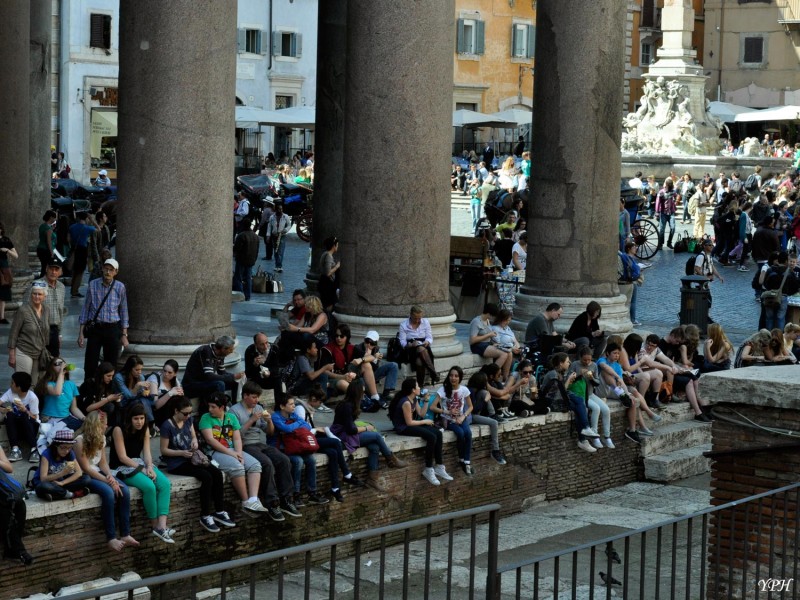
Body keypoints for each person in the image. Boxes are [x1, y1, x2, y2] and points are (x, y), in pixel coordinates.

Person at [160, 397, 236, 533]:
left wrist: (194, 442)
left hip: (193, 457)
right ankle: (205, 515)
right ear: (176, 411)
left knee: (217, 473)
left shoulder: (188, 420)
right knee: (206, 476)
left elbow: (193, 436)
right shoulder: (167, 426)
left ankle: (219, 510)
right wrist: (181, 453)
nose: (188, 416)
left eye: (190, 413)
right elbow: (164, 450)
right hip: (177, 462)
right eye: (185, 413)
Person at [229, 381, 300, 519]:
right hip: (245, 445)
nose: (257, 400)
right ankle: (272, 502)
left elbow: (270, 433)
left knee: (283, 460)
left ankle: (287, 499)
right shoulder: (234, 411)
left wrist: (269, 421)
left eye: (258, 397)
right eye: (254, 397)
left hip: (259, 443)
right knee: (266, 463)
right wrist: (251, 420)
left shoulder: (258, 408)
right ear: (245, 396)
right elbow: (235, 436)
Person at [110, 403, 175, 544]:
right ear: (129, 419)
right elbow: (122, 457)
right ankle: (155, 525)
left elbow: (147, 452)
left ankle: (162, 526)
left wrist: (149, 466)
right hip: (122, 467)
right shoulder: (118, 430)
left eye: (141, 418)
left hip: (139, 463)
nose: (139, 422)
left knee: (164, 483)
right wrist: (142, 469)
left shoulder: (145, 429)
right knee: (149, 487)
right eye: (136, 419)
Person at [198, 392, 270, 517]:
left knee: (255, 465)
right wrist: (232, 454)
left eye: (213, 407)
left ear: (221, 408)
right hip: (214, 452)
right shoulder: (205, 418)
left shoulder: (231, 417)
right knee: (237, 467)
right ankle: (245, 501)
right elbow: (210, 440)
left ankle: (253, 500)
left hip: (232, 450)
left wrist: (238, 453)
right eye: (209, 406)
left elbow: (237, 439)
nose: (210, 409)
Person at [75, 411, 138, 552]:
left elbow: (103, 463)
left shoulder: (102, 438)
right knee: (109, 493)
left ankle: (125, 533)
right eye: (103, 423)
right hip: (85, 475)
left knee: (124, 490)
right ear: (95, 425)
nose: (106, 426)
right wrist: (108, 482)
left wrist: (110, 476)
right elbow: (86, 468)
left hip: (98, 471)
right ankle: (111, 537)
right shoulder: (79, 441)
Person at [331, 382, 407, 491]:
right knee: (376, 436)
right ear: (357, 393)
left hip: (347, 433)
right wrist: (366, 428)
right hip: (343, 436)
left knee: (374, 447)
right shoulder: (346, 406)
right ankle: (391, 458)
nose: (364, 395)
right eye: (362, 392)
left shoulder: (349, 404)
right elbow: (350, 430)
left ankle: (372, 479)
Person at [389, 377, 453, 486]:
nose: (420, 388)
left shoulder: (413, 399)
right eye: (418, 386)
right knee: (431, 437)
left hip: (410, 424)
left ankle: (439, 466)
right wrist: (425, 422)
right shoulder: (406, 402)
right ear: (413, 389)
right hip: (403, 428)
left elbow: (421, 414)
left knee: (438, 433)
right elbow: (409, 423)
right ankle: (428, 468)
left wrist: (426, 401)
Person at [268, 393, 330, 506]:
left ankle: (312, 492)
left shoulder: (293, 416)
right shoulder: (276, 416)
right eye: (291, 404)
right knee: (298, 461)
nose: (294, 407)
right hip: (280, 448)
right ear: (282, 406)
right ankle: (295, 494)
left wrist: (294, 426)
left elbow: (307, 426)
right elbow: (285, 428)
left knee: (311, 460)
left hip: (294, 446)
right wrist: (297, 425)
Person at [78, 258, 129, 381]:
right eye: (106, 268)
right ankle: (89, 389)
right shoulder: (93, 285)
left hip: (112, 328)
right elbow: (86, 308)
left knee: (111, 363)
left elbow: (123, 310)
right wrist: (81, 333)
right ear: (102, 269)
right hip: (96, 328)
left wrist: (124, 333)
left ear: (116, 272)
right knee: (90, 362)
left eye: (111, 270)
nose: (108, 272)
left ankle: (108, 391)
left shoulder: (120, 287)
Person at [540, 353, 601, 453]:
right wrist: (569, 380)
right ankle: (583, 436)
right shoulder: (553, 374)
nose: (569, 363)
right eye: (567, 361)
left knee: (579, 401)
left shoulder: (561, 373)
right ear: (561, 363)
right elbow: (559, 393)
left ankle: (584, 434)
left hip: (560, 398)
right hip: (552, 402)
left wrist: (573, 378)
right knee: (578, 406)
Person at [431, 366, 475, 475]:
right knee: (460, 433)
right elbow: (432, 407)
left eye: (456, 376)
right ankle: (461, 459)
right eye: (451, 375)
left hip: (461, 418)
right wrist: (447, 412)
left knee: (468, 433)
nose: (453, 378)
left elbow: (470, 407)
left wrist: (463, 416)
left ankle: (467, 461)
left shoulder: (464, 390)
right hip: (448, 420)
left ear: (460, 378)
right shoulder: (443, 390)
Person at [182, 336, 245, 410]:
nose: (231, 352)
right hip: (192, 385)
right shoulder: (205, 351)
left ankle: (235, 408)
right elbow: (209, 376)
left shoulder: (221, 355)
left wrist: (236, 376)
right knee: (219, 384)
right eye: (230, 350)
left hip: (205, 382)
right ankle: (221, 409)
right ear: (223, 348)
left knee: (234, 382)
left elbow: (222, 372)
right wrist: (233, 376)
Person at [568, 347, 613, 449]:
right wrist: (580, 374)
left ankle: (607, 436)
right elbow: (569, 381)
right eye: (585, 360)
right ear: (580, 358)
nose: (587, 362)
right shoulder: (575, 365)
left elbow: (597, 382)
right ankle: (594, 435)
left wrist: (592, 378)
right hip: (580, 394)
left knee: (606, 409)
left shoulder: (593, 366)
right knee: (596, 408)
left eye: (589, 360)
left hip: (590, 393)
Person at [33, 428, 90, 501]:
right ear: (56, 446)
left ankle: (56, 494)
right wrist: (62, 473)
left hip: (60, 483)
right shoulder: (46, 454)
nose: (66, 451)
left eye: (69, 448)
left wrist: (62, 483)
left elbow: (78, 473)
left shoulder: (70, 453)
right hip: (47, 483)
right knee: (44, 487)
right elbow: (43, 479)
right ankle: (71, 494)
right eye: (63, 447)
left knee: (86, 479)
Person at [7, 282, 49, 376]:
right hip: (24, 350)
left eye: (40, 294)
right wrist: (12, 355)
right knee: (23, 383)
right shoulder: (23, 310)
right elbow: (13, 333)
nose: (36, 296)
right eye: (34, 293)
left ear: (44, 296)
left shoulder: (46, 310)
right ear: (31, 295)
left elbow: (46, 330)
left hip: (39, 352)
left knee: (35, 384)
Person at [465, 371, 508, 464]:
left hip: (475, 414)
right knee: (494, 423)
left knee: (484, 392)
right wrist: (485, 400)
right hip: (469, 416)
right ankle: (495, 451)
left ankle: (493, 414)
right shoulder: (470, 390)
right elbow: (473, 410)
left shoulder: (477, 390)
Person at [26, 260, 66, 357]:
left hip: (54, 330)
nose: (53, 272)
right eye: (51, 269)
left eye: (56, 269)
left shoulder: (61, 287)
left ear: (60, 272)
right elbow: (26, 308)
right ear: (46, 269)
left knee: (54, 362)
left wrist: (59, 334)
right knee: (38, 361)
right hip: (38, 330)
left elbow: (60, 311)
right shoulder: (36, 285)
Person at [0, 445, 32, 565]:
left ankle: (11, 550)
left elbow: (9, 468)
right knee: (4, 513)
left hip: (2, 489)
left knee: (20, 505)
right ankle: (20, 551)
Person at [352, 330, 400, 406]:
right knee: (366, 364)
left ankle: (387, 393)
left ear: (376, 344)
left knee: (393, 365)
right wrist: (372, 357)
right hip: (360, 377)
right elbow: (362, 364)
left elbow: (374, 368)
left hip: (372, 375)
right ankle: (373, 397)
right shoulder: (358, 348)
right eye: (367, 341)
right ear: (364, 340)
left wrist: (375, 360)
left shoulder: (376, 349)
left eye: (372, 343)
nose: (369, 344)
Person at [0, 372, 40, 463]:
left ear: (19, 387)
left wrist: (25, 410)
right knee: (9, 415)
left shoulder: (32, 397)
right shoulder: (10, 392)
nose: (11, 385)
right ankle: (15, 450)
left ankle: (34, 449)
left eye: (12, 383)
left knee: (24, 416)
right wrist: (2, 410)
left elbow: (35, 418)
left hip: (31, 427)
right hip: (16, 428)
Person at [36, 357, 85, 430]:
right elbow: (57, 392)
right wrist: (61, 373)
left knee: (85, 427)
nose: (61, 365)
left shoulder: (71, 384)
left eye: (62, 363)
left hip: (66, 418)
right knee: (63, 433)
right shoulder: (47, 384)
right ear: (51, 368)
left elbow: (74, 408)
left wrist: (84, 418)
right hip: (49, 418)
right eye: (57, 364)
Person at [398, 306, 438, 386]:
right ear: (410, 315)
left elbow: (429, 337)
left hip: (424, 346)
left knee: (419, 362)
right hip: (410, 349)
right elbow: (402, 341)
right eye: (415, 318)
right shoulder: (403, 325)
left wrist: (427, 341)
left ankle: (420, 386)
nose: (417, 320)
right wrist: (409, 345)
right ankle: (433, 373)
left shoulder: (425, 322)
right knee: (420, 348)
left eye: (419, 318)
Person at [469, 303, 512, 373]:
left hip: (487, 344)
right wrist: (489, 335)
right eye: (493, 316)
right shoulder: (476, 321)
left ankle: (505, 377)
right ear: (489, 314)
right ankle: (491, 374)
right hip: (478, 346)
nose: (493, 318)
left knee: (509, 353)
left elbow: (489, 336)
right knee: (503, 354)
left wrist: (494, 342)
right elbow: (472, 340)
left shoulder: (487, 321)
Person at [78, 361, 122, 428]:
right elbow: (87, 409)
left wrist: (117, 399)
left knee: (118, 408)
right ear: (101, 375)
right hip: (86, 413)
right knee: (110, 406)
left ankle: (113, 429)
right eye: (108, 376)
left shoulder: (109, 383)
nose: (111, 378)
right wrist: (107, 399)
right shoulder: (89, 384)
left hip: (102, 412)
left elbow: (117, 405)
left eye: (112, 376)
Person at [113, 355, 154, 426]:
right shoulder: (118, 377)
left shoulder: (140, 377)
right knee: (140, 402)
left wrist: (145, 391)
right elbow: (128, 396)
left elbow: (141, 392)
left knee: (147, 400)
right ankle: (150, 423)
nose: (139, 372)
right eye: (137, 370)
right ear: (129, 368)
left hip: (136, 400)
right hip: (122, 402)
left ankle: (150, 424)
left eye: (141, 369)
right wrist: (137, 386)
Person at [146, 359, 184, 428]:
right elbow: (155, 405)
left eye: (170, 372)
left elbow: (182, 398)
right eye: (164, 371)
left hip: (169, 412)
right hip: (155, 414)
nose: (166, 374)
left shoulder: (175, 380)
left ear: (175, 373)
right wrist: (170, 393)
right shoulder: (154, 378)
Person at [243, 332, 281, 399]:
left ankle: (279, 405)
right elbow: (248, 373)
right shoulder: (250, 351)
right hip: (257, 378)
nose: (265, 347)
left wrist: (269, 372)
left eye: (266, 343)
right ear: (256, 344)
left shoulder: (274, 349)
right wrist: (254, 365)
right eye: (262, 344)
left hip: (270, 378)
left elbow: (277, 368)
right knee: (249, 383)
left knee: (278, 380)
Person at [68, 212, 96, 297]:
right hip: (82, 250)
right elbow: (98, 229)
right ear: (86, 218)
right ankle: (75, 291)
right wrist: (92, 220)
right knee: (80, 271)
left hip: (74, 249)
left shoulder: (72, 227)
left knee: (75, 270)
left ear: (78, 218)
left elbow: (68, 239)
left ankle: (73, 289)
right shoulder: (87, 228)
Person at [490, 309, 523, 380]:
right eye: (506, 320)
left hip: (512, 349)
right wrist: (512, 349)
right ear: (501, 319)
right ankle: (504, 376)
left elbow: (515, 340)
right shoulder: (495, 328)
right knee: (509, 353)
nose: (508, 322)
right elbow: (497, 343)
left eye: (509, 320)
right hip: (502, 349)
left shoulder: (507, 328)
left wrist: (517, 347)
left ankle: (507, 376)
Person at [232, 224, 260, 301]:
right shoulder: (255, 236)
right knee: (248, 278)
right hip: (251, 260)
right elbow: (257, 249)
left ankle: (240, 294)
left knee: (238, 277)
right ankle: (248, 295)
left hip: (241, 259)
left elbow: (237, 248)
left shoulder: (241, 235)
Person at [618, 241, 642, 326]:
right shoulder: (627, 258)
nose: (635, 249)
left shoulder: (628, 257)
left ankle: (631, 319)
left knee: (631, 302)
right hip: (631, 281)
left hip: (632, 281)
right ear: (629, 249)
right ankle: (632, 319)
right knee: (631, 302)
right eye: (633, 247)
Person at [266, 201, 292, 272]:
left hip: (282, 236)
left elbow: (289, 225)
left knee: (280, 251)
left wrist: (285, 230)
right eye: (279, 209)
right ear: (276, 209)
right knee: (276, 251)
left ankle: (279, 266)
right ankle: (277, 265)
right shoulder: (272, 217)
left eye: (281, 209)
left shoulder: (285, 216)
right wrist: (268, 236)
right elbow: (269, 227)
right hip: (274, 236)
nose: (280, 210)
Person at [0, 222, 18, 324]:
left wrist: (7, 250)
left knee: (3, 292)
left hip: (3, 268)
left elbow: (16, 255)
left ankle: (1, 317)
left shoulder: (5, 240)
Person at [318, 236, 341, 311]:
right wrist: (337, 266)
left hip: (324, 282)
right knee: (329, 304)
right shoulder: (328, 256)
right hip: (327, 284)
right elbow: (328, 273)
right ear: (334, 246)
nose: (337, 246)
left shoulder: (325, 254)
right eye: (337, 245)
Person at [655, 177, 678, 249]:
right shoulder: (661, 192)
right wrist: (657, 212)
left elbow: (676, 196)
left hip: (671, 212)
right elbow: (658, 202)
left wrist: (675, 203)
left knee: (673, 228)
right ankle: (660, 244)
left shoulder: (673, 192)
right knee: (662, 230)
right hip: (663, 213)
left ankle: (669, 242)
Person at [36, 210, 58, 277]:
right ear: (51, 217)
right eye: (54, 217)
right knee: (47, 268)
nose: (55, 219)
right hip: (46, 250)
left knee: (44, 267)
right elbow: (49, 241)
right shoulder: (48, 228)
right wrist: (51, 252)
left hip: (41, 248)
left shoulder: (43, 226)